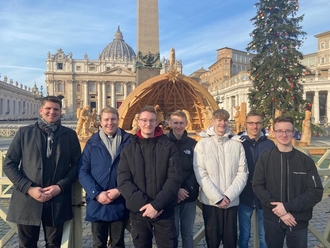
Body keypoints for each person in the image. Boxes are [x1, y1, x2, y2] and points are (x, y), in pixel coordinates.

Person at [3, 96, 81, 248]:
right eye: (48, 109)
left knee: (54, 244)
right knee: (27, 245)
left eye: (56, 109)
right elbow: (9, 164)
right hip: (28, 199)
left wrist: (60, 186)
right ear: (41, 110)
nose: (52, 112)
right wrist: (28, 188)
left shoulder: (70, 135)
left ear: (60, 112)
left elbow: (77, 165)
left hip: (57, 199)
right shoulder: (24, 133)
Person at [252, 116, 323, 248]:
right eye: (279, 131)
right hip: (273, 219)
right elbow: (257, 186)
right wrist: (279, 210)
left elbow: (316, 192)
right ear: (273, 132)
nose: (284, 134)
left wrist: (287, 207)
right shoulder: (265, 158)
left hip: (297, 220)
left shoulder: (305, 161)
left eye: (287, 131)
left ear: (293, 132)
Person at [117, 105, 181, 248]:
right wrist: (146, 206)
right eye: (144, 120)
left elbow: (174, 179)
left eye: (152, 120)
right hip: (140, 213)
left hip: (164, 211)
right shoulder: (128, 149)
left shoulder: (169, 146)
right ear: (138, 122)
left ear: (157, 122)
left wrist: (156, 205)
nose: (148, 124)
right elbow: (124, 181)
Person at [193, 109, 248, 248]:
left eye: (225, 120)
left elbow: (242, 173)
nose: (222, 123)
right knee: (212, 240)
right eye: (219, 120)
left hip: (231, 201)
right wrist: (217, 197)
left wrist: (228, 196)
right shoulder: (202, 144)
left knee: (231, 241)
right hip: (211, 202)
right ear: (213, 121)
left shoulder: (237, 144)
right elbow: (200, 173)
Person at [78, 107, 131, 248]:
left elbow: (136, 171)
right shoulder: (91, 143)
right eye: (106, 119)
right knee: (98, 244)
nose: (110, 123)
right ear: (100, 122)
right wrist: (96, 193)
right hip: (98, 201)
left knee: (118, 243)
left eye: (113, 119)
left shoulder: (129, 141)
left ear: (118, 120)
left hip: (120, 200)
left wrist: (120, 190)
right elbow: (83, 171)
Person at [238, 111, 275, 248]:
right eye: (251, 123)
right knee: (244, 235)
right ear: (246, 124)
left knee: (264, 235)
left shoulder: (270, 145)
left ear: (262, 124)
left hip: (264, 196)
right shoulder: (238, 142)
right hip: (244, 195)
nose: (254, 126)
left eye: (258, 123)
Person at [167, 110, 198, 248]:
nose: (178, 126)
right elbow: (162, 170)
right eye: (175, 123)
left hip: (189, 196)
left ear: (186, 123)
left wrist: (185, 189)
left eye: (181, 123)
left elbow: (196, 169)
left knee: (188, 234)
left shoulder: (193, 144)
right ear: (169, 123)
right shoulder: (163, 143)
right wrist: (175, 190)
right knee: (171, 234)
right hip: (170, 197)